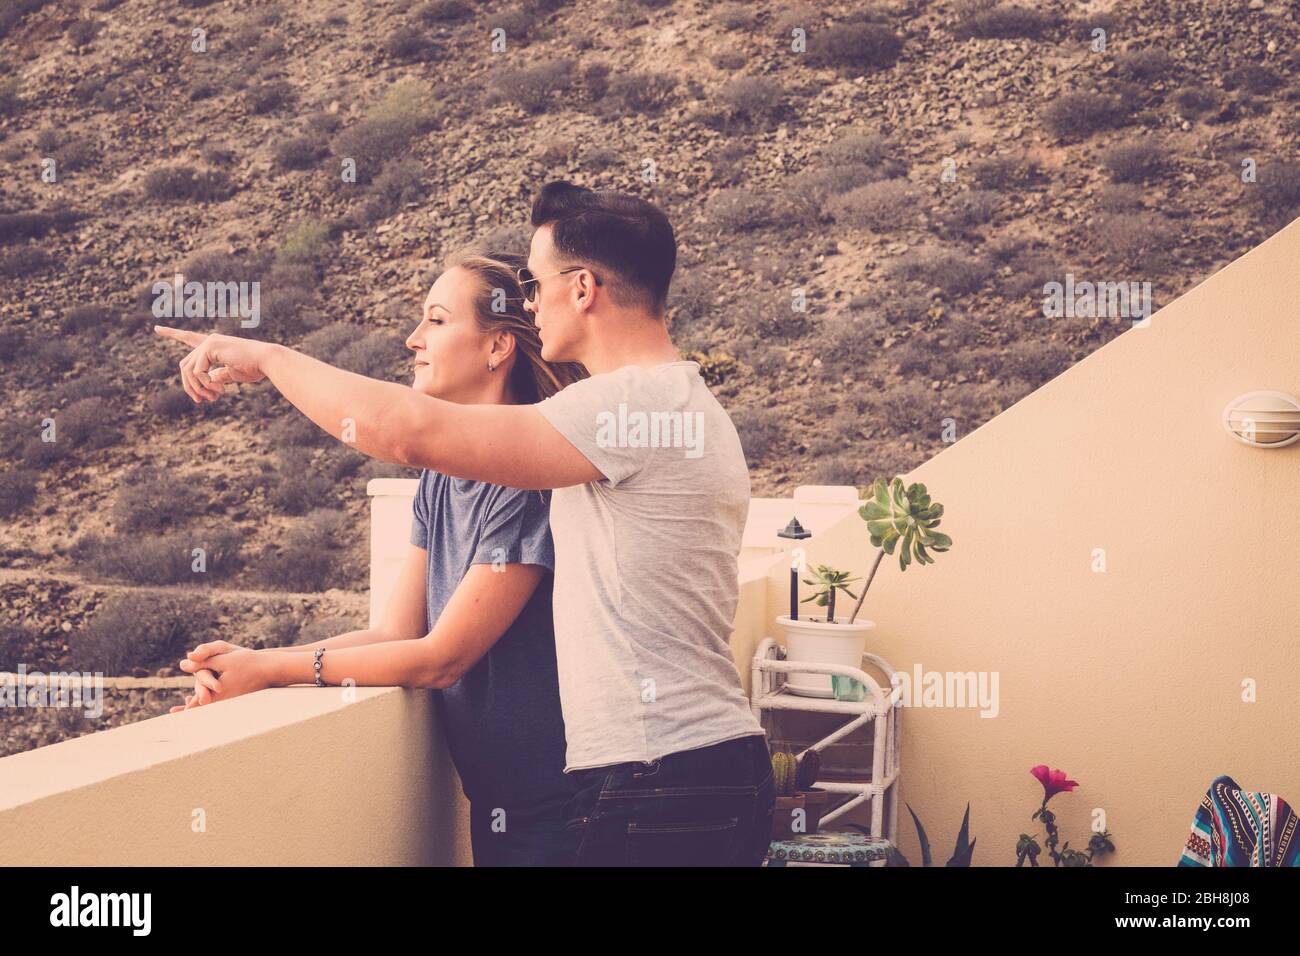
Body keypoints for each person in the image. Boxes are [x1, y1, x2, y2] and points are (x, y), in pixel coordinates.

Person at [156, 181, 776, 866]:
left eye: (536, 286)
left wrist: (273, 359)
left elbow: (408, 432)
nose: (530, 307)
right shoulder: (672, 402)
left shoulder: (631, 406)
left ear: (583, 289)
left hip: (657, 780)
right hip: (701, 770)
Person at [169, 249, 586, 866]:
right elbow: (396, 632)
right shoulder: (443, 478)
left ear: (498, 348)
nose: (414, 338)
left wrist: (276, 672)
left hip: (565, 815)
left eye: (437, 321)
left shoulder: (527, 482)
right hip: (502, 804)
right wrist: (255, 661)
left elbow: (442, 658)